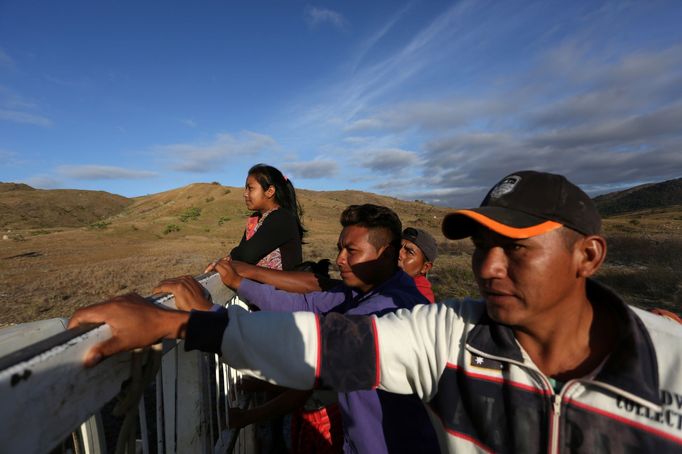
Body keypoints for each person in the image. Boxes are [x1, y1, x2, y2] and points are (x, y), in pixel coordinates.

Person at [69, 171, 682, 452]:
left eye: (516, 248)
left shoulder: (669, 360)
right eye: (483, 247)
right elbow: (323, 343)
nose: (488, 267)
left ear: (589, 256)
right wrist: (180, 323)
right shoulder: (450, 334)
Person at [188, 204, 439, 454]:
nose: (340, 259)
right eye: (340, 249)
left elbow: (303, 350)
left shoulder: (386, 310)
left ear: (385, 255)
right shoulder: (366, 288)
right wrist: (239, 283)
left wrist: (208, 313)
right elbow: (305, 303)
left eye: (352, 251)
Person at [229, 163, 304, 271]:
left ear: (269, 191)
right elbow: (242, 251)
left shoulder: (281, 218)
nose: (245, 194)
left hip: (281, 286)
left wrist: (231, 256)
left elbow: (247, 254)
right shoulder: (255, 218)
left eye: (250, 189)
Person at [398, 227, 438, 303]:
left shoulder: (419, 300)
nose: (399, 253)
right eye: (398, 247)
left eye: (409, 252)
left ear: (425, 267)